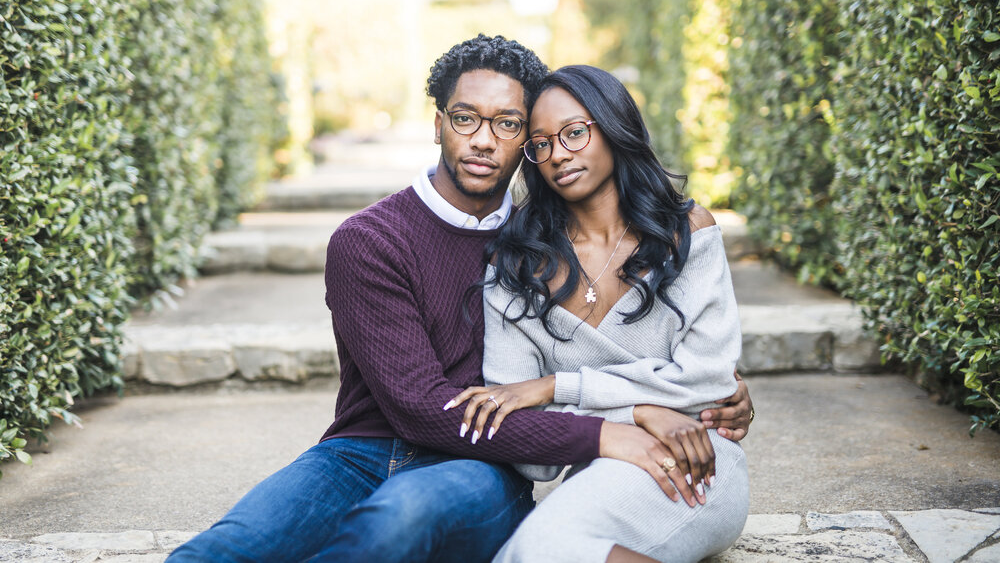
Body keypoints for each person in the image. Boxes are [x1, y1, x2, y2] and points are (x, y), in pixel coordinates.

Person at [168, 37, 752, 563]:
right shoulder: (370, 241)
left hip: (479, 466)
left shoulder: (530, 245)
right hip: (361, 450)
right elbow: (421, 408)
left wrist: (707, 397)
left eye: (507, 124)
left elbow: (679, 363)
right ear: (440, 122)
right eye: (465, 118)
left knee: (393, 524)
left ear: (525, 140)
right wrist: (614, 426)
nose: (482, 139)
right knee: (223, 550)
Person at [447, 65, 750, 563]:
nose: (557, 155)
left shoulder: (687, 232)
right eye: (540, 144)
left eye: (573, 133)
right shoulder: (517, 265)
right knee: (526, 554)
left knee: (542, 550)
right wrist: (642, 411)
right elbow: (526, 447)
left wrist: (555, 387)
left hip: (700, 461)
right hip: (600, 468)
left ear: (612, 125)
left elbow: (709, 382)